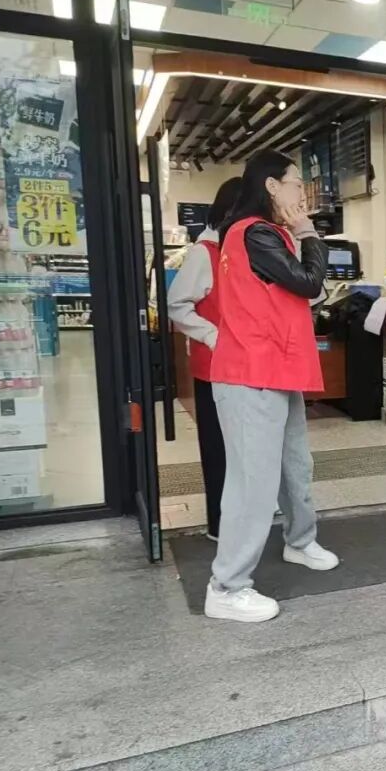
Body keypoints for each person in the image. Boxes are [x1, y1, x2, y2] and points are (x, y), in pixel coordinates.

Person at [204, 149, 337, 623]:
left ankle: (299, 540)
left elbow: (300, 291)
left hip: (275, 373)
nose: (302, 192)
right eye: (297, 182)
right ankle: (227, 586)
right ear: (272, 186)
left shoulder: (263, 234)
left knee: (294, 466)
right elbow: (308, 282)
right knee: (252, 486)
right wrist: (308, 234)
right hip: (251, 376)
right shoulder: (254, 232)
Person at [167, 176, 242, 543]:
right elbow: (177, 305)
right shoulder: (205, 252)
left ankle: (246, 511)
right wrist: (213, 336)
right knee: (218, 448)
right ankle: (220, 522)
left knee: (244, 445)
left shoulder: (242, 249)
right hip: (214, 367)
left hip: (246, 367)